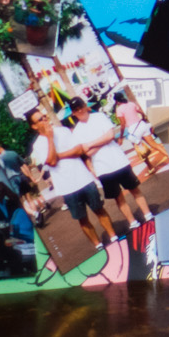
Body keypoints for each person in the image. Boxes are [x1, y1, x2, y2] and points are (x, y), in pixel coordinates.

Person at [30, 105, 123, 247]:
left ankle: (113, 236)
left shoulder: (63, 131)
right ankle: (98, 245)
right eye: (40, 120)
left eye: (44, 116)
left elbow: (79, 150)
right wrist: (49, 138)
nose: (45, 119)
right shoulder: (38, 145)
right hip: (67, 187)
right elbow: (52, 162)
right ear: (34, 126)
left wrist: (58, 155)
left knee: (99, 209)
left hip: (84, 178)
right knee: (82, 218)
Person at [74, 99, 153, 231]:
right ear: (73, 113)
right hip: (102, 169)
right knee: (118, 198)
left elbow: (110, 135)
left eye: (80, 106)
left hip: (119, 161)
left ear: (85, 106)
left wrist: (91, 143)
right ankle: (132, 222)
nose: (80, 110)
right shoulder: (76, 131)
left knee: (135, 189)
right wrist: (103, 140)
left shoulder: (99, 117)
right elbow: (85, 151)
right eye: (76, 109)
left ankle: (148, 214)